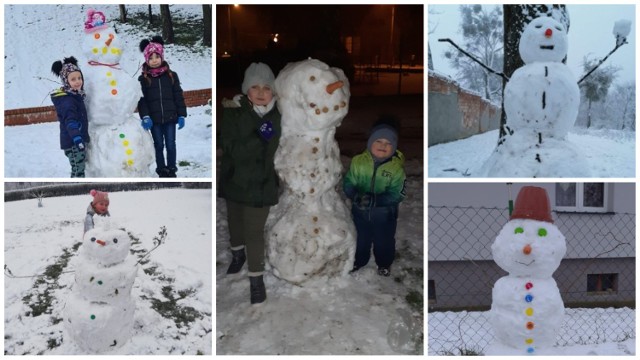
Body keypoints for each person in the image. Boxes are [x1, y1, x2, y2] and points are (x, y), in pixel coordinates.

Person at [219, 62, 281, 304]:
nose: (261, 92)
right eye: (255, 86)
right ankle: (237, 256)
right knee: (235, 223)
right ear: (246, 90)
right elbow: (231, 147)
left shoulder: (279, 115)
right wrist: (259, 137)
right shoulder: (234, 111)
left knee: (254, 232)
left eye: (267, 87)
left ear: (274, 91)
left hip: (262, 184)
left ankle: (257, 280)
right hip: (235, 179)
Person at [343, 119, 406, 277]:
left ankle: (384, 264)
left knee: (383, 242)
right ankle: (359, 261)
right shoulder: (358, 162)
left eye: (388, 143)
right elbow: (349, 182)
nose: (383, 146)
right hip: (360, 212)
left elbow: (398, 193)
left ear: (394, 146)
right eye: (378, 141)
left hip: (384, 216)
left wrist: (376, 200)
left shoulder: (396, 168)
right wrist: (355, 195)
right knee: (361, 240)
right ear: (370, 142)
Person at [137, 36, 187, 178]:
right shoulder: (143, 79)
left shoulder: (171, 75)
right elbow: (142, 100)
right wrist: (145, 116)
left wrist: (181, 114)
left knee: (171, 144)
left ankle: (171, 168)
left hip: (171, 118)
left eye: (157, 56)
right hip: (154, 120)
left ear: (162, 56)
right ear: (146, 59)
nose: (154, 60)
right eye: (151, 57)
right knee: (158, 145)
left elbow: (178, 94)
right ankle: (161, 169)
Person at [51, 57, 89, 178]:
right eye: (73, 79)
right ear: (66, 81)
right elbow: (70, 121)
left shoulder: (76, 96)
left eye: (79, 78)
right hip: (73, 142)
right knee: (78, 170)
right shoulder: (68, 100)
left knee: (79, 168)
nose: (78, 81)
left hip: (76, 140)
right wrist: (77, 138)